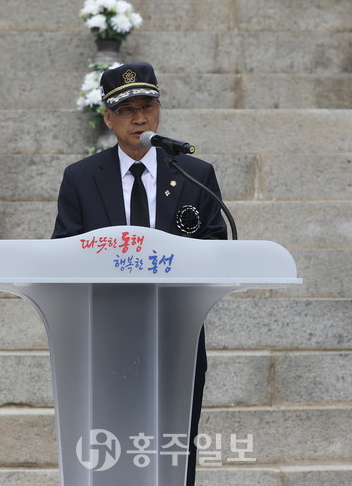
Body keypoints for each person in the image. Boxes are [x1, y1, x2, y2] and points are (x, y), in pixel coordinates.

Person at [52, 61, 227, 485]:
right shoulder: (81, 178)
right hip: (105, 334)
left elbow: (217, 246)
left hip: (176, 332)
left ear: (159, 111)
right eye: (126, 110)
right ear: (108, 118)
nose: (139, 119)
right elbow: (63, 253)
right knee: (109, 441)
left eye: (147, 106)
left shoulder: (194, 174)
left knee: (175, 440)